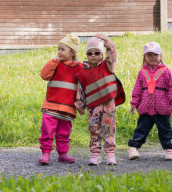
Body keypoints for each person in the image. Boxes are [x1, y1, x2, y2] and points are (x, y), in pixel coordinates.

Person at [75, 34, 124, 166]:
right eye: (90, 53)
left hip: (108, 104)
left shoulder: (107, 66)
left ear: (102, 54)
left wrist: (108, 42)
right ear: (86, 55)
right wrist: (79, 105)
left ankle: (110, 153)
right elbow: (80, 90)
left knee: (109, 128)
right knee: (94, 129)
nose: (93, 56)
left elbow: (112, 55)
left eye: (97, 52)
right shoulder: (82, 72)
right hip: (92, 106)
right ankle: (95, 153)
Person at [126, 42, 172, 161]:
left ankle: (169, 149)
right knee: (141, 129)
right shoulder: (142, 73)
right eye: (149, 55)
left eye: (155, 54)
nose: (152, 57)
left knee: (165, 130)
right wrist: (134, 103)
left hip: (162, 108)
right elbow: (137, 89)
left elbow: (171, 87)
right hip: (145, 108)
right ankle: (134, 148)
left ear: (161, 56)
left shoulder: (165, 71)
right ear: (145, 57)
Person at [37, 34, 83, 165]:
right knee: (47, 130)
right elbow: (44, 75)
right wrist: (53, 61)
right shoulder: (55, 64)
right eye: (58, 49)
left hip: (68, 107)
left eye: (63, 49)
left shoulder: (80, 67)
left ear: (72, 52)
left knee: (64, 132)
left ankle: (63, 154)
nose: (59, 52)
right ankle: (45, 153)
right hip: (51, 104)